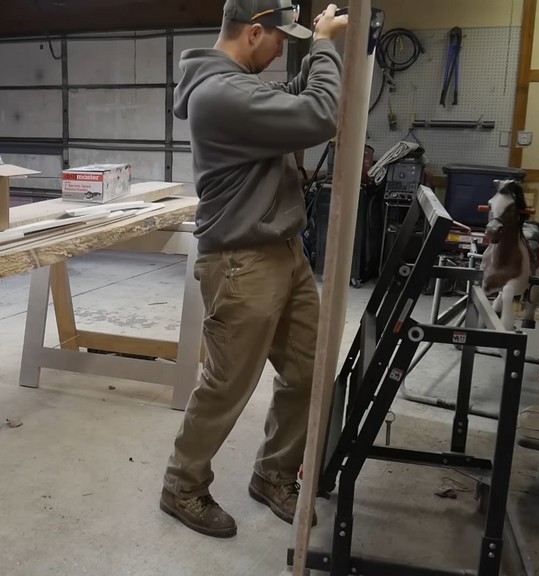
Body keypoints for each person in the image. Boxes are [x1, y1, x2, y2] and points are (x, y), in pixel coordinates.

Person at [159, 0, 347, 538]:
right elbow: (318, 116)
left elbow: (290, 98)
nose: (284, 50)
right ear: (254, 32)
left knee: (310, 373)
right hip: (242, 262)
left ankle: (273, 474)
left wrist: (317, 52)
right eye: (280, 42)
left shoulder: (240, 85)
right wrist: (326, 46)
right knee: (226, 386)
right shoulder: (220, 94)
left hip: (283, 251)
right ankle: (182, 485)